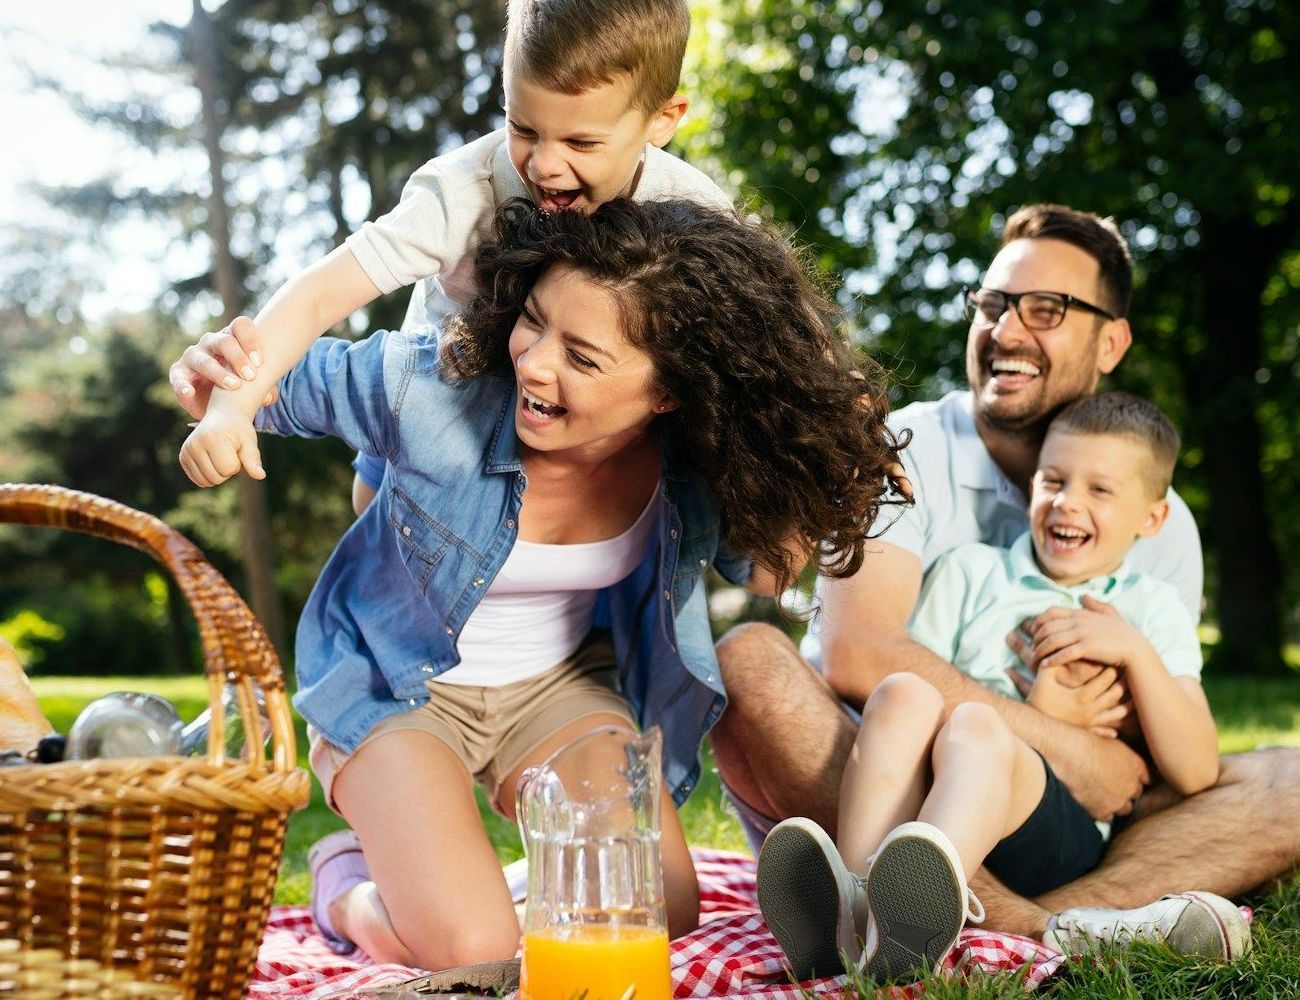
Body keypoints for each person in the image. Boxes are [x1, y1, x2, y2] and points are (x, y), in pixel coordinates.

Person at [178, 198, 906, 970]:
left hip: (557, 687)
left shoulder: (688, 466)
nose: (533, 362)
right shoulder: (436, 391)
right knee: (475, 954)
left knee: (656, 912)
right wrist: (214, 385)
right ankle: (348, 885)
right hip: (392, 682)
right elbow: (271, 374)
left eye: (583, 357)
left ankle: (479, 883)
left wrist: (830, 473)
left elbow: (765, 572)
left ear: (669, 391)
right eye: (534, 320)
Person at [710, 203, 1300, 969]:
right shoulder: (902, 455)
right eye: (992, 304)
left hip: (1058, 822)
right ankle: (1038, 928)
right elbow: (858, 658)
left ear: (1111, 340)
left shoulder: (1162, 523)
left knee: (1290, 780)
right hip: (874, 777)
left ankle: (997, 921)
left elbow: (1150, 767)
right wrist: (1064, 742)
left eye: (1047, 310)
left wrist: (1103, 754)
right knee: (751, 657)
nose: (1007, 331)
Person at [756, 393, 1242, 983]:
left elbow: (1195, 769)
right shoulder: (971, 571)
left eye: (1100, 490)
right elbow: (915, 688)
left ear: (1151, 519)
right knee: (903, 693)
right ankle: (857, 908)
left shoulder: (1146, 608)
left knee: (978, 724)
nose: (1067, 502)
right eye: (1054, 480)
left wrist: (1133, 653)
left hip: (1055, 829)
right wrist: (1038, 711)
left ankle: (915, 916)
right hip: (943, 789)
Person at [168, 0, 731, 507]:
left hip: (562, 405)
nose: (544, 165)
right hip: (441, 384)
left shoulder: (692, 210)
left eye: (581, 143)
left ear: (662, 120)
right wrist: (232, 408)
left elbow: (757, 333)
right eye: (523, 127)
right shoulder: (462, 192)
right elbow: (318, 295)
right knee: (372, 503)